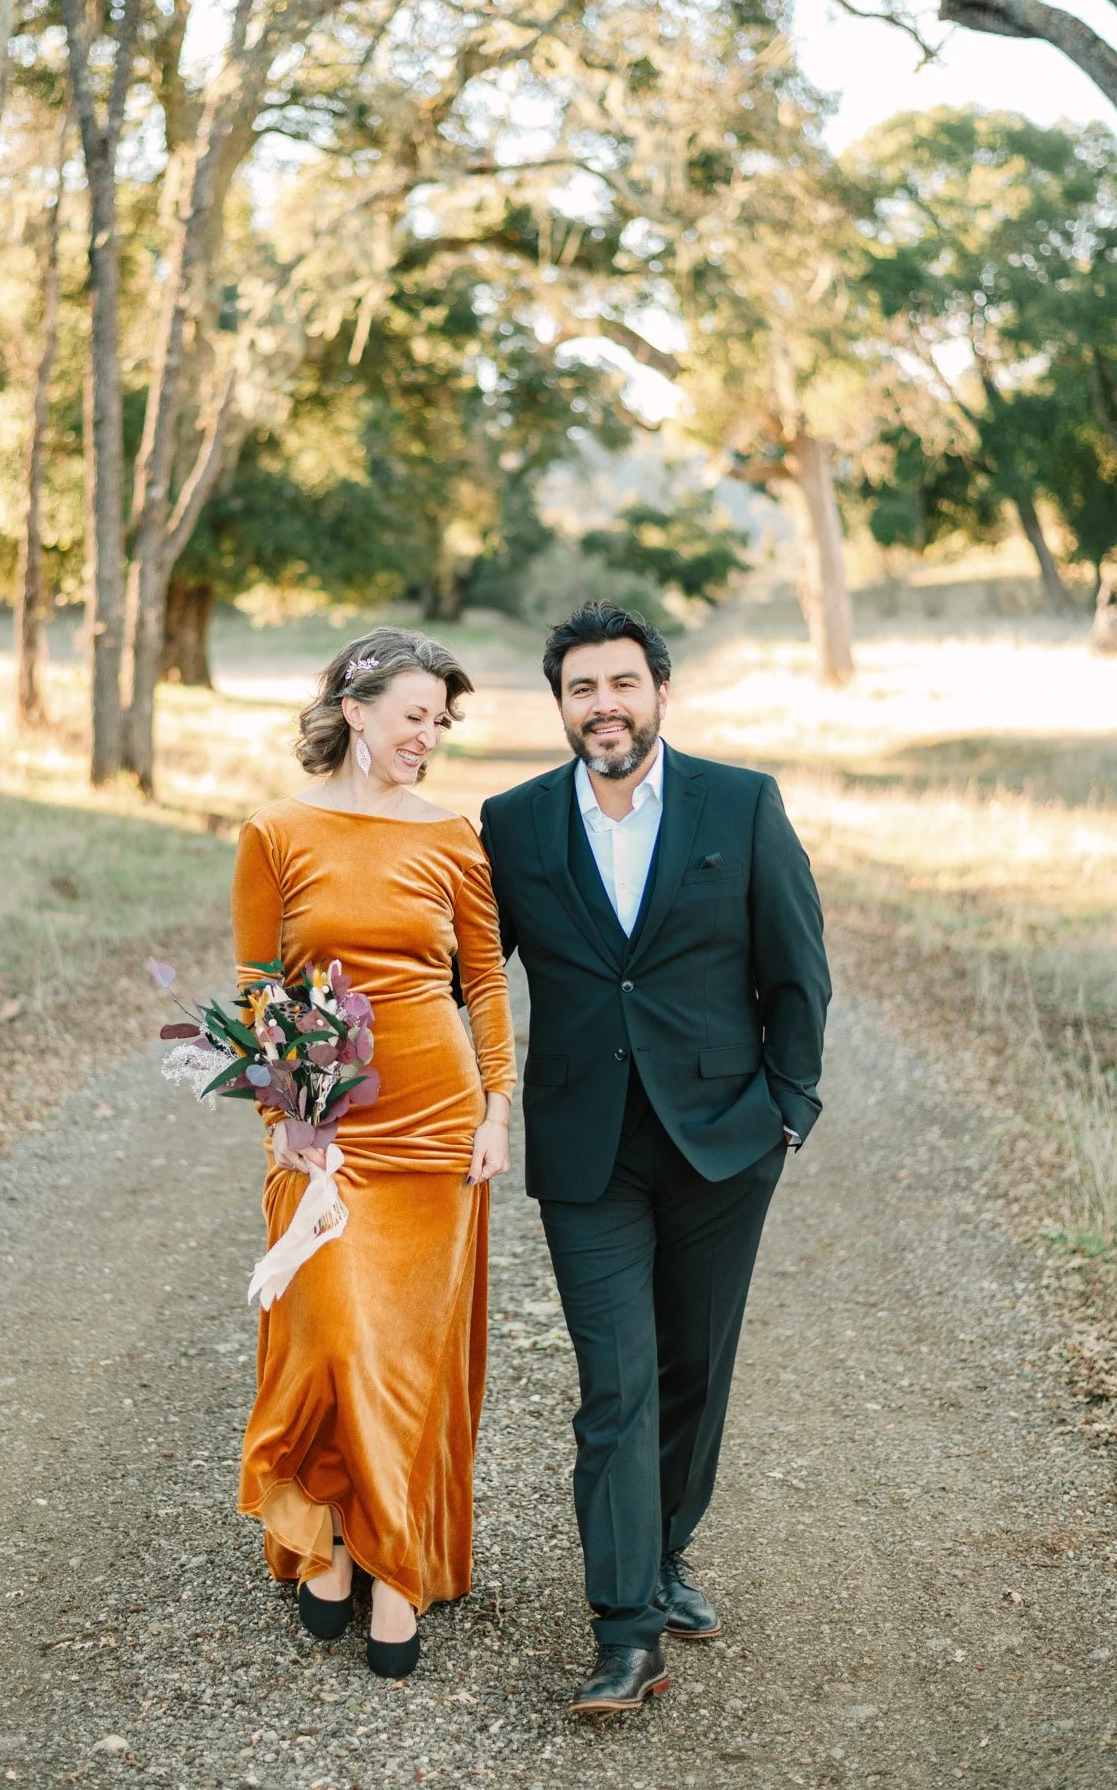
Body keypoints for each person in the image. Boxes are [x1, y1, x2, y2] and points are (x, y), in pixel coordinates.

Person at [479, 600, 831, 1715]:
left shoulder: (740, 801)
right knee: (616, 1386)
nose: (603, 705)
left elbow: (797, 970)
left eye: (621, 683)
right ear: (560, 705)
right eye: (581, 688)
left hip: (724, 1139)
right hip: (587, 1151)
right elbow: (465, 980)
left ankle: (665, 1545)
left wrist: (787, 1106)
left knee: (692, 1368)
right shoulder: (513, 822)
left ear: (659, 691)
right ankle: (624, 1627)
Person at [231, 625, 516, 1679]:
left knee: (407, 1351)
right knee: (334, 1335)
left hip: (436, 1117)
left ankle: (394, 1560)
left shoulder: (452, 835)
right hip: (324, 1123)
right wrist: (288, 1120)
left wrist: (497, 1107)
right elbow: (262, 985)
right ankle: (335, 1528)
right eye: (414, 714)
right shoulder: (273, 831)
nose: (428, 735)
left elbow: (481, 981)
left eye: (441, 720)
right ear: (355, 709)